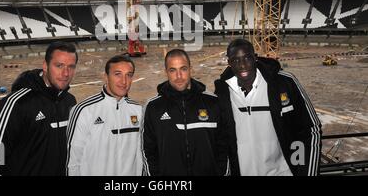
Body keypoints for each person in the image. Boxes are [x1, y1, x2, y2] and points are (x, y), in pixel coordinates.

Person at [214, 38, 322, 176]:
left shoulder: (284, 83)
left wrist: (305, 172)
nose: (242, 65)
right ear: (229, 63)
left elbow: (310, 130)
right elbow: (222, 143)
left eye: (247, 58)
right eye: (235, 60)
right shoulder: (223, 93)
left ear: (255, 58)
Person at [0, 41, 78, 176]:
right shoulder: (16, 104)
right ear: (45, 66)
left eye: (71, 67)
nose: (65, 73)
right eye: (59, 66)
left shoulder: (70, 102)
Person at [142, 48, 229, 176]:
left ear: (190, 69)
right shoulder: (153, 107)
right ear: (166, 72)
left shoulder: (213, 103)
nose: (179, 76)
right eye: (173, 70)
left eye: (183, 69)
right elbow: (148, 151)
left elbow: (224, 147)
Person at [66, 55, 142, 175]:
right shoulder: (84, 111)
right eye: (117, 74)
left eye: (129, 75)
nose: (124, 81)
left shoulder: (139, 111)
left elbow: (141, 157)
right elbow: (73, 161)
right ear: (106, 77)